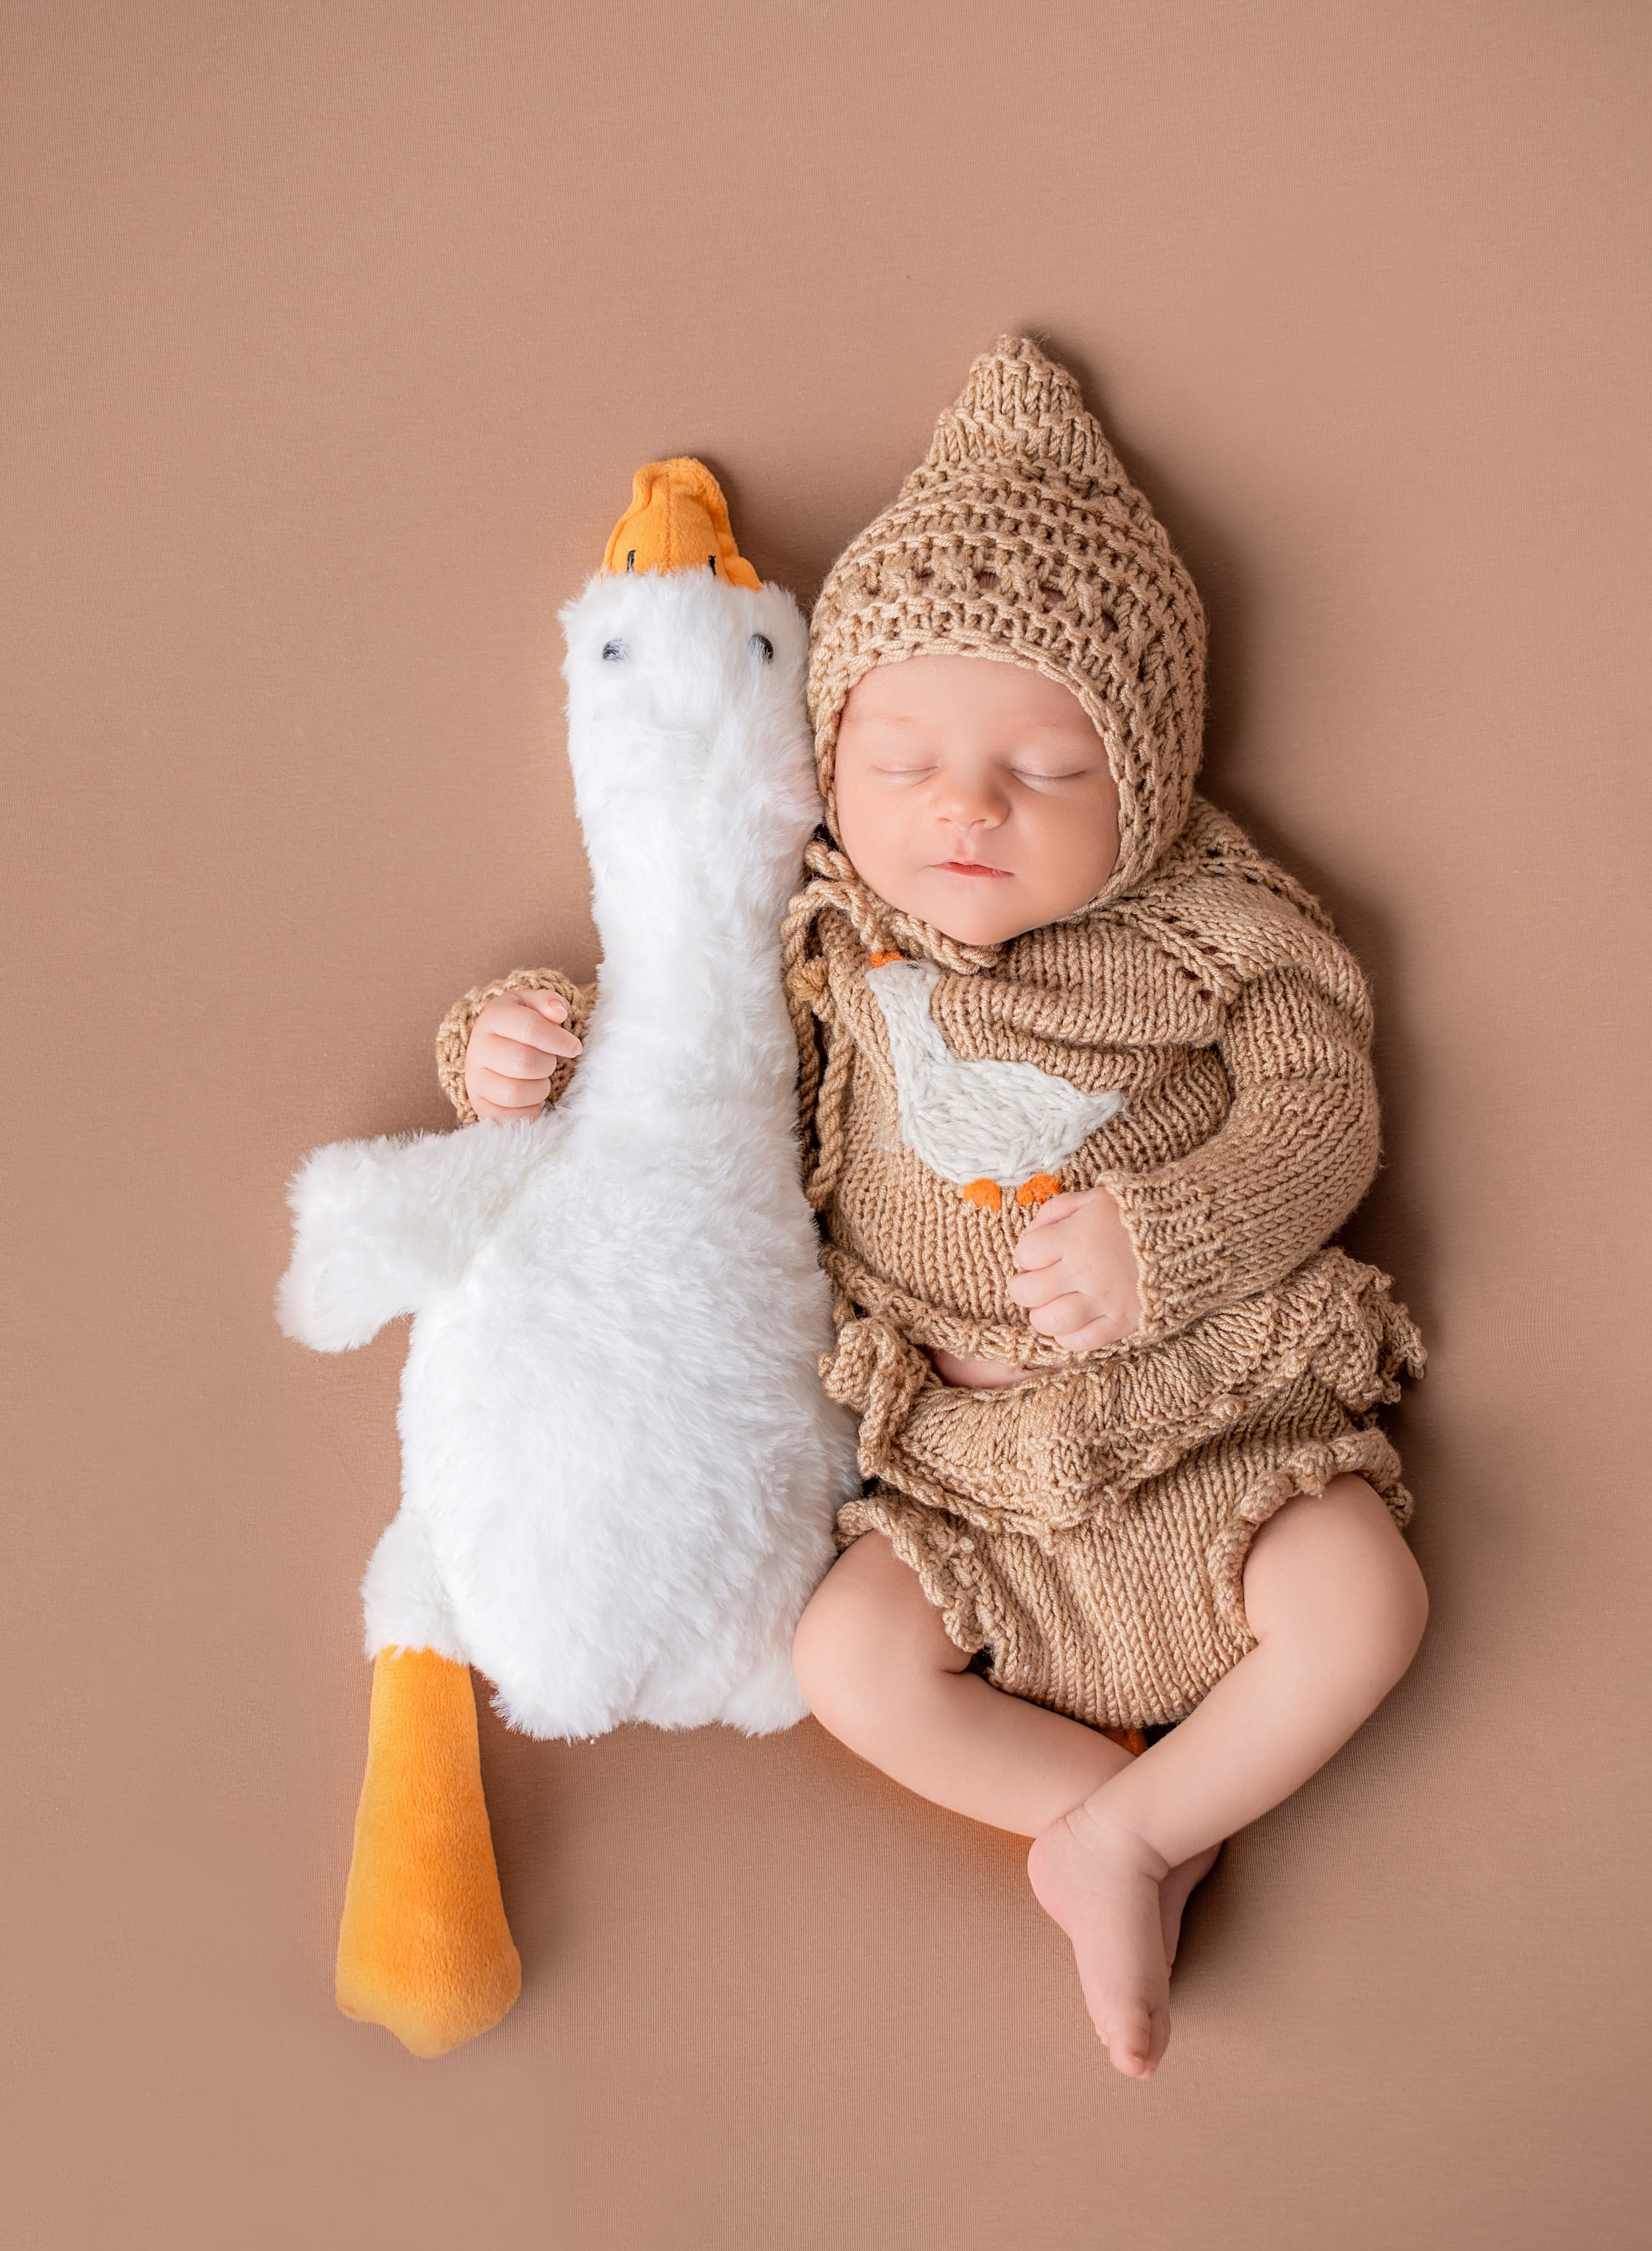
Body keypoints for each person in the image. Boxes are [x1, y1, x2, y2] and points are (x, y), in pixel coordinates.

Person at [435, 338, 1427, 2080]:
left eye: (1045, 769)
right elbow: (674, 1060)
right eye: (903, 761)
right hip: (962, 1480)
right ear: (833, 762)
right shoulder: (824, 947)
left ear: (1148, 783)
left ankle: (1134, 1836)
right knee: (847, 1660)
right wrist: (512, 1049)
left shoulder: (1218, 931)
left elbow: (1322, 1111)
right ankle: (1114, 1824)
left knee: (1368, 1600)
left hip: (1212, 1427)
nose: (967, 808)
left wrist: (1169, 1236)